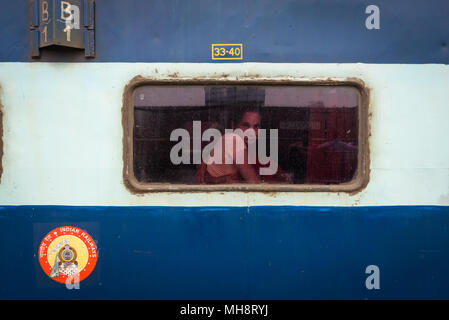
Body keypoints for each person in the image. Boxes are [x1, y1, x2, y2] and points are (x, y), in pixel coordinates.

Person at [196, 106, 292, 184]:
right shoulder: (233, 139)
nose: (251, 131)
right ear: (234, 126)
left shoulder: (247, 151)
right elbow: (254, 183)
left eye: (256, 126)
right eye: (246, 125)